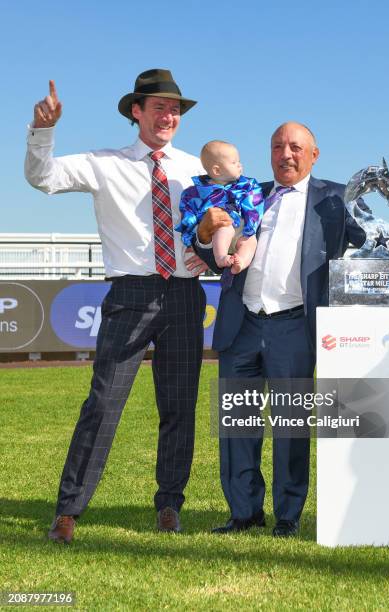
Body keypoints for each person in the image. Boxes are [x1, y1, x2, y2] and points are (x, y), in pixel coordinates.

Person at [194, 122, 389, 537]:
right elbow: (215, 253)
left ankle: (287, 516)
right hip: (241, 325)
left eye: (295, 147)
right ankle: (244, 512)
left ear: (314, 154)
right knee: (238, 428)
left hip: (295, 327)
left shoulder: (336, 199)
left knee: (290, 427)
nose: (286, 154)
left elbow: (383, 235)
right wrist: (203, 234)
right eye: (277, 146)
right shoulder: (245, 193)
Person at [25, 69, 209, 543]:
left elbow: (217, 225)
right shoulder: (104, 162)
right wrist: (43, 130)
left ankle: (170, 504)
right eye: (159, 108)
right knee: (103, 403)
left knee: (179, 407)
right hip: (130, 294)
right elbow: (42, 178)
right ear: (137, 112)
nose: (168, 116)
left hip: (187, 295)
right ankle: (68, 510)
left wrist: (206, 251)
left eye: (175, 109)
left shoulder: (196, 168)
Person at [175, 140, 264, 274]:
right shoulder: (197, 192)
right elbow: (188, 215)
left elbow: (255, 204)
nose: (240, 165)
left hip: (243, 228)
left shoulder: (247, 185)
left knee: (250, 241)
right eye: (234, 163)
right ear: (217, 170)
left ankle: (240, 261)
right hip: (222, 227)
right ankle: (221, 257)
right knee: (224, 230)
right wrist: (189, 237)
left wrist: (250, 226)